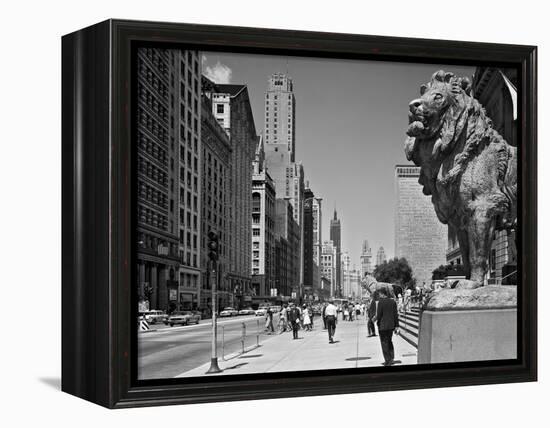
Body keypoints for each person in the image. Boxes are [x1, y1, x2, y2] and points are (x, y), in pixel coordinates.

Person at [376, 287, 400, 366]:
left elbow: (379, 315)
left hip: (383, 326)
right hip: (391, 326)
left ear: (382, 294)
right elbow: (395, 315)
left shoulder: (381, 302)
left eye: (379, 293)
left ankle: (388, 360)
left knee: (384, 343)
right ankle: (392, 357)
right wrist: (397, 325)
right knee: (389, 341)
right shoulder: (392, 302)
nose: (379, 295)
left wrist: (377, 323)